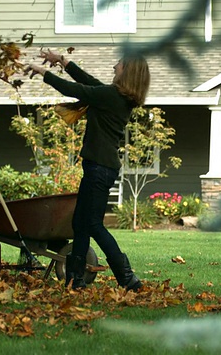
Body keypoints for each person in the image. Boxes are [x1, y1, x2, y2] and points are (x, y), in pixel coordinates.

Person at [29, 50, 150, 291]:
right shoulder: (115, 97)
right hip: (99, 168)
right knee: (81, 223)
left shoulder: (110, 97)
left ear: (128, 72)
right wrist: (63, 62)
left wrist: (44, 73)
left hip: (99, 169)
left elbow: (76, 90)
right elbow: (88, 82)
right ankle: (76, 279)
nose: (115, 66)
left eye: (120, 64)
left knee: (93, 224)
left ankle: (127, 278)